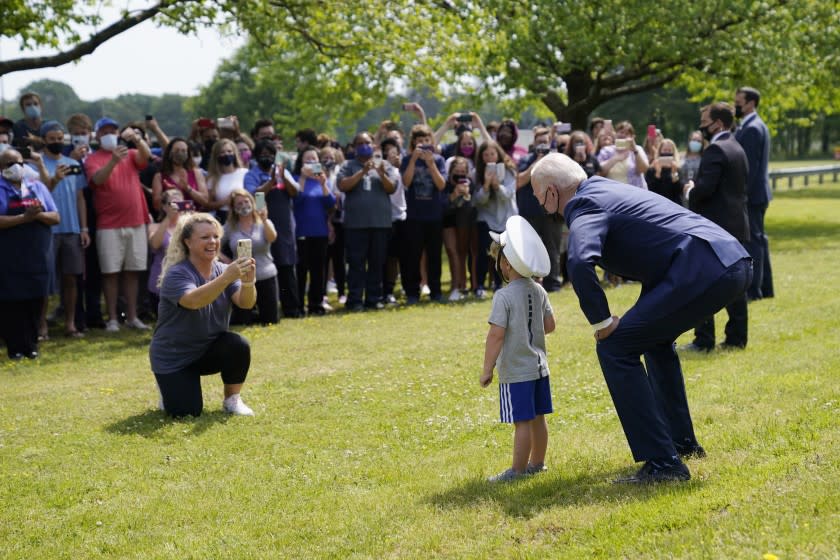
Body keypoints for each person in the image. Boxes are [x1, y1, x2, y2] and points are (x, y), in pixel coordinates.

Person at [531, 153, 752, 483]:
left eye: (536, 193)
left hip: (704, 268)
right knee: (654, 341)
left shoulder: (583, 205)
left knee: (615, 348)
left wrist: (603, 322)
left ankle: (664, 464)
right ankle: (680, 444)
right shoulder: (602, 188)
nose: (536, 201)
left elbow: (578, 263)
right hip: (725, 260)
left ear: (551, 192)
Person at [149, 213, 257, 417]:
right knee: (187, 413)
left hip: (207, 350)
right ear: (187, 242)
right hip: (174, 357)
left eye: (216, 236)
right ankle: (167, 389)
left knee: (237, 345)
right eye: (205, 237)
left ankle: (232, 400)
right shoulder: (177, 273)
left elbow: (246, 302)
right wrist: (227, 278)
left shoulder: (224, 270)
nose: (213, 242)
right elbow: (193, 301)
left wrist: (248, 282)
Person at [480, 215, 555, 482]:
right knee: (538, 417)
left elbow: (496, 336)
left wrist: (487, 369)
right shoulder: (539, 291)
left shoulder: (504, 296)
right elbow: (549, 326)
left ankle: (517, 471)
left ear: (507, 264)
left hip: (517, 371)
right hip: (539, 368)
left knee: (521, 421)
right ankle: (538, 463)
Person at [683, 103, 750, 351]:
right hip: (736, 224)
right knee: (736, 287)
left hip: (715, 228)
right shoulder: (737, 147)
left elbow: (705, 190)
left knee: (703, 283)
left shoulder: (716, 151)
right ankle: (736, 338)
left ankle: (704, 340)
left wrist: (690, 189)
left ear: (718, 124)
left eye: (704, 122)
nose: (701, 128)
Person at [83, 117, 152, 332]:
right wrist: (113, 161)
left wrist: (138, 140)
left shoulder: (130, 154)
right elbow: (98, 180)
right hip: (109, 224)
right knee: (110, 272)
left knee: (133, 271)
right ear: (97, 136)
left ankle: (132, 317)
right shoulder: (92, 159)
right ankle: (112, 318)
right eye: (104, 132)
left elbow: (146, 157)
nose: (109, 135)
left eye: (113, 130)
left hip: (136, 221)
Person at [0, 148, 60, 359]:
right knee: (12, 301)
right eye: (9, 164)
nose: (16, 167)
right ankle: (15, 347)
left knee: (36, 299)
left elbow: (55, 217)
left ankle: (31, 345)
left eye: (19, 162)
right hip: (9, 255)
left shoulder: (37, 186)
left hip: (36, 253)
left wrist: (37, 214)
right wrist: (24, 218)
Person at [39, 120, 90, 337]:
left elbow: (80, 197)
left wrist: (84, 228)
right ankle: (41, 326)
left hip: (71, 228)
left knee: (71, 278)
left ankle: (70, 324)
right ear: (44, 140)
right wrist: (55, 179)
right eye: (52, 139)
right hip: (46, 230)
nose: (57, 142)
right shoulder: (36, 164)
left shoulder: (73, 163)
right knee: (45, 281)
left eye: (60, 139)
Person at [337, 132, 396, 311]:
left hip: (380, 223)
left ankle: (374, 298)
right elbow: (343, 185)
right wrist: (362, 171)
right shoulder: (348, 165)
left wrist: (380, 173)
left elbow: (392, 187)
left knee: (377, 263)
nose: (364, 145)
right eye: (360, 143)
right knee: (356, 263)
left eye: (367, 142)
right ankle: (355, 299)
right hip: (356, 224)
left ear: (374, 145)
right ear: (354, 147)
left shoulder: (384, 165)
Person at [244, 139, 302, 318]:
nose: (266, 158)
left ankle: (292, 308)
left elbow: (295, 192)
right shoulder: (252, 174)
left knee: (286, 265)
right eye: (262, 155)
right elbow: (256, 197)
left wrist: (282, 176)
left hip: (284, 224)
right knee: (266, 266)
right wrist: (271, 181)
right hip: (262, 223)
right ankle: (265, 309)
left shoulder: (283, 172)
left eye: (270, 154)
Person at [735, 86, 774, 301]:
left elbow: (748, 169)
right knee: (760, 241)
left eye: (738, 101)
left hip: (752, 195)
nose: (735, 105)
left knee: (754, 242)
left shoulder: (751, 129)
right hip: (759, 193)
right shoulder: (756, 126)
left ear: (750, 103)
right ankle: (765, 288)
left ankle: (755, 291)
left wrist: (742, 195)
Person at [400, 124, 447, 304]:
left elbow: (442, 185)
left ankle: (435, 291)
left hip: (434, 216)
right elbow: (406, 182)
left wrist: (431, 163)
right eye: (420, 141)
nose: (424, 144)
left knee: (434, 255)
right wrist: (413, 160)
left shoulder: (439, 160)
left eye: (426, 140)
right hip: (414, 216)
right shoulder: (407, 159)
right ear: (414, 142)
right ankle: (413, 292)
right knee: (413, 255)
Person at [221, 189, 279, 324]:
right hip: (242, 279)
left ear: (253, 203)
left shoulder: (263, 223)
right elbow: (215, 244)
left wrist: (264, 220)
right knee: (242, 320)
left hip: (266, 275)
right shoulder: (230, 227)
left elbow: (272, 238)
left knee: (271, 320)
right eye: (239, 203)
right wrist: (227, 260)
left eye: (246, 201)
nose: (243, 206)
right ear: (234, 208)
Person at [516, 128, 563, 292]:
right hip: (530, 211)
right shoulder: (525, 159)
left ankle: (553, 283)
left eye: (545, 141)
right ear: (534, 143)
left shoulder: (557, 160)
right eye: (539, 142)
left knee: (552, 248)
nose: (542, 145)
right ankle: (529, 283)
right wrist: (536, 163)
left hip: (552, 212)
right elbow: (519, 182)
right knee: (529, 249)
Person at [293, 147, 336, 315]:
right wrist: (303, 178)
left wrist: (324, 184)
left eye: (314, 159)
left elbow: (331, 204)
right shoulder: (296, 179)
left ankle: (316, 304)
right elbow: (297, 200)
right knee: (301, 269)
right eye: (307, 160)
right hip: (302, 231)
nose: (311, 162)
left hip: (320, 232)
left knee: (319, 271)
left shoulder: (323, 181)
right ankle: (298, 305)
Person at [442, 156, 477, 301]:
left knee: (463, 252)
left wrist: (467, 194)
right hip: (448, 221)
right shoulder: (445, 184)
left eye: (463, 171)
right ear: (450, 172)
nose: (460, 174)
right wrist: (454, 194)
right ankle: (455, 286)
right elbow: (442, 205)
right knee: (452, 251)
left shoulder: (471, 184)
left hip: (465, 221)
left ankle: (465, 285)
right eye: (457, 171)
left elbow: (474, 204)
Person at [148, 189, 188, 314]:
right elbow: (154, 244)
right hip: (161, 283)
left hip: (186, 282)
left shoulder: (190, 226)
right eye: (172, 203)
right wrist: (168, 218)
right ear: (164, 207)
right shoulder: (154, 227)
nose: (176, 206)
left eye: (179, 203)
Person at [151, 137, 210, 212]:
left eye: (183, 151)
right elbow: (156, 205)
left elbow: (205, 201)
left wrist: (188, 189)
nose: (180, 153)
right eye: (176, 150)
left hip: (193, 218)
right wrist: (168, 194)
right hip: (171, 220)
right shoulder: (159, 177)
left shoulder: (196, 173)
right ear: (170, 153)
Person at [205, 138, 248, 224]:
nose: (226, 154)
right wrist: (226, 201)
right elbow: (208, 205)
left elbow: (258, 193)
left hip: (246, 215)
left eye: (229, 151)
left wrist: (260, 209)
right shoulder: (212, 179)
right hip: (223, 217)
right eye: (222, 152)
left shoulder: (245, 173)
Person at [597, 120, 649, 188]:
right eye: (621, 132)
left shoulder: (638, 149)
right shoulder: (606, 150)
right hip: (612, 193)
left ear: (632, 137)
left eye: (627, 133)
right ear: (615, 134)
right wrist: (615, 159)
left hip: (634, 192)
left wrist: (635, 151)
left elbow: (643, 170)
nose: (623, 135)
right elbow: (599, 172)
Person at [645, 139, 685, 206]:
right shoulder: (651, 169)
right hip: (657, 205)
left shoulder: (677, 168)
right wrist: (657, 173)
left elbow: (680, 191)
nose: (667, 152)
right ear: (660, 151)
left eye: (669, 150)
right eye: (665, 150)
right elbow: (650, 190)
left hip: (674, 205)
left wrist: (674, 173)